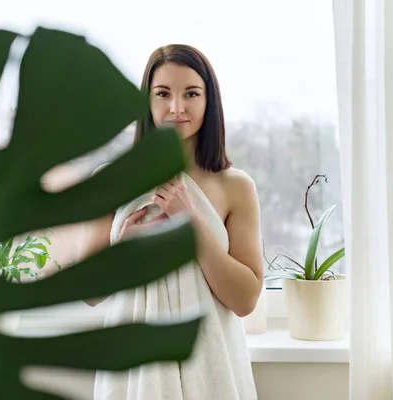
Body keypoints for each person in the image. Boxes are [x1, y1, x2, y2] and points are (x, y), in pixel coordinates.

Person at [80, 44, 263, 400]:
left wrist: (192, 225)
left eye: (191, 94)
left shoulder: (235, 186)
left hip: (209, 365)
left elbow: (245, 300)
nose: (176, 107)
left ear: (209, 101)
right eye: (163, 94)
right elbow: (88, 293)